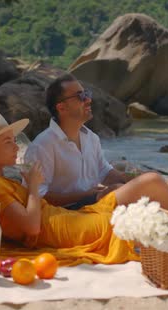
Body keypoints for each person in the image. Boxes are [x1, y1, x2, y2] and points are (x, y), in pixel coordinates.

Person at [0, 112, 168, 264]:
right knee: (149, 195)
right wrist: (34, 187)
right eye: (8, 142)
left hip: (70, 219)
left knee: (150, 183)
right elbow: (33, 227)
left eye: (14, 140)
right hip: (67, 231)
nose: (16, 146)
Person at [23, 74, 129, 210]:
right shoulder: (42, 146)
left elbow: (103, 171)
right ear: (61, 108)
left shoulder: (91, 138)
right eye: (81, 96)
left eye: (86, 94)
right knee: (121, 191)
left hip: (91, 205)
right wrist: (84, 196)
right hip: (64, 214)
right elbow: (36, 195)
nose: (89, 100)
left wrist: (128, 178)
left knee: (146, 181)